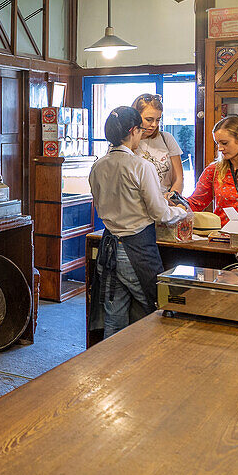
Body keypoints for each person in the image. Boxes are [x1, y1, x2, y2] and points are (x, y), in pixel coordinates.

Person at [90, 106, 189, 338]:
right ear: (134, 130)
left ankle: (110, 370)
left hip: (109, 247)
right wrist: (182, 212)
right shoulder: (140, 166)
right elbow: (160, 214)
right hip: (137, 251)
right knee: (153, 314)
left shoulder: (98, 165)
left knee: (114, 320)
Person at [132, 93, 183, 195]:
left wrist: (171, 198)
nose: (154, 125)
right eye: (149, 119)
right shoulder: (126, 142)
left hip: (166, 204)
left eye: (158, 120)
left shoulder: (166, 138)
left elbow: (178, 178)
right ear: (135, 117)